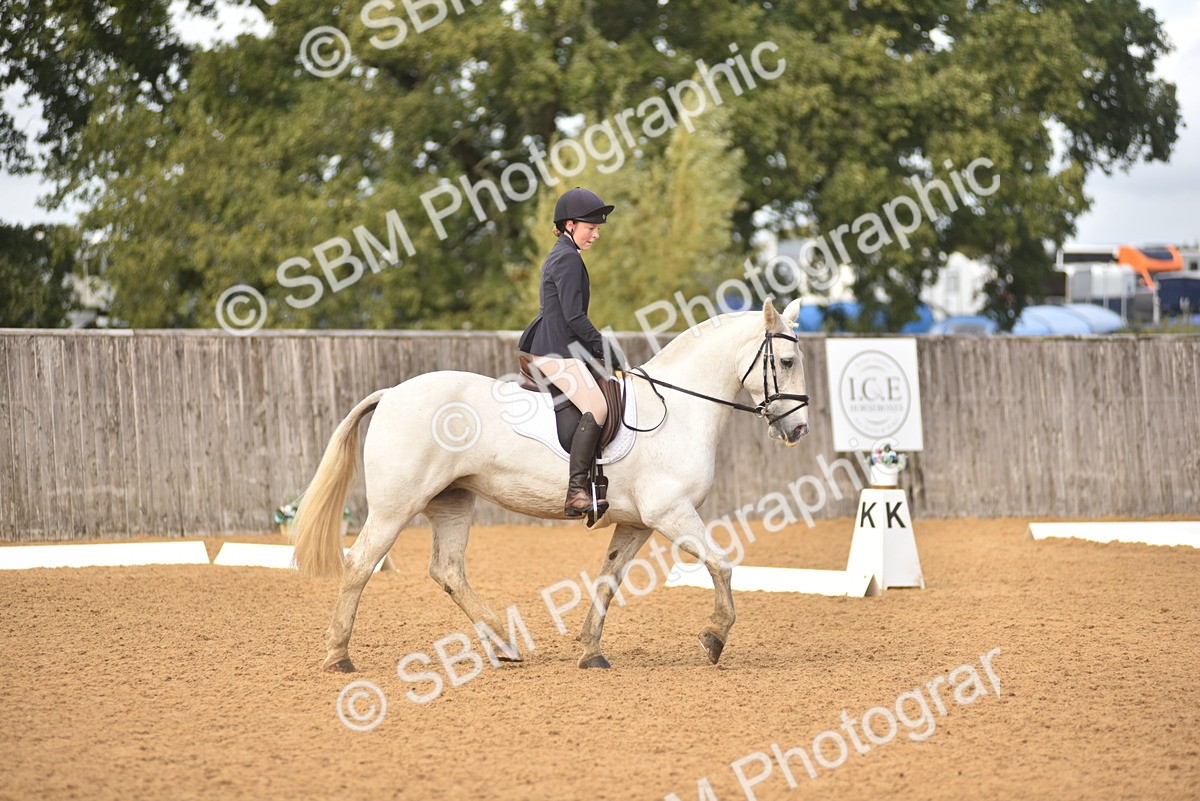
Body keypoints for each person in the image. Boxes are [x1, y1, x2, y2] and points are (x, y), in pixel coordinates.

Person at [518, 187, 619, 518]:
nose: (596, 235)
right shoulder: (568, 259)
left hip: (559, 346)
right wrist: (605, 348)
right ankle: (576, 491)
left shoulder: (560, 255)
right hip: (556, 351)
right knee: (600, 408)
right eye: (591, 228)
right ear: (571, 225)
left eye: (598, 229)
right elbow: (575, 317)